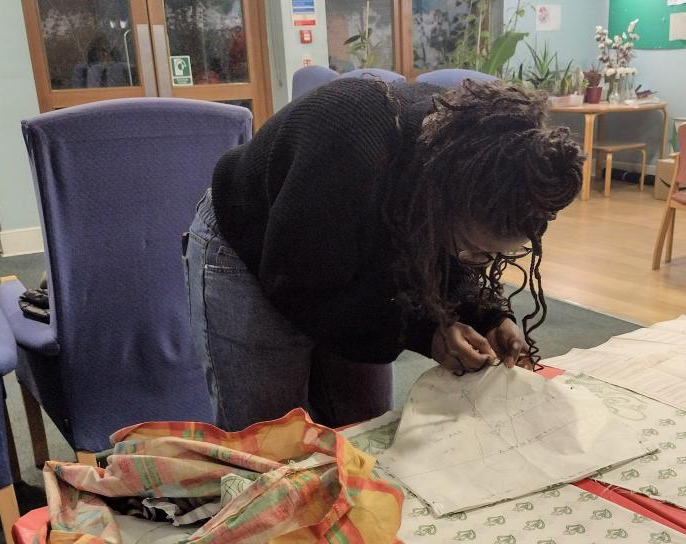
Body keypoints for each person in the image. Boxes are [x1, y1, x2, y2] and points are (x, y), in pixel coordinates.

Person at [184, 77, 583, 431]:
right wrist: (426, 334)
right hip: (254, 244)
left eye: (490, 257)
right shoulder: (350, 143)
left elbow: (446, 255)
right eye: (472, 248)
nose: (475, 262)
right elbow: (301, 287)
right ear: (441, 195)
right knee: (270, 437)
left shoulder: (454, 171)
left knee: (367, 423)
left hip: (340, 244)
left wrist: (487, 314)